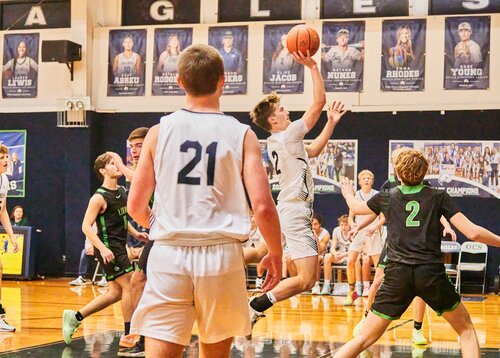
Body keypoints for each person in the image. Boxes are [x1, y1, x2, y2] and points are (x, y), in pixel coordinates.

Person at [127, 44, 283, 358]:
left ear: (180, 81)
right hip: (222, 255)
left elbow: (135, 206)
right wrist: (276, 253)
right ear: (223, 79)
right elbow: (263, 206)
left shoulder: (159, 132)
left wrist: (163, 228)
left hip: (169, 253)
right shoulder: (242, 134)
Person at [334, 149, 500, 358]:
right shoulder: (438, 196)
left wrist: (348, 193)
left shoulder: (387, 197)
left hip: (397, 276)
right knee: (466, 330)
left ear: (398, 173)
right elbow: (473, 233)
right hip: (429, 274)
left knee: (363, 339)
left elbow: (356, 208)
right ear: (424, 172)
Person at [249, 48, 347, 330]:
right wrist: (313, 66)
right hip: (295, 210)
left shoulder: (279, 141)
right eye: (281, 109)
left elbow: (314, 149)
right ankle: (256, 304)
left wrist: (330, 123)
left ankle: (214, 275)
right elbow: (318, 102)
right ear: (273, 120)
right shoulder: (288, 134)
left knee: (260, 253)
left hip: (288, 207)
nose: (286, 111)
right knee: (306, 279)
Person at [62, 154, 148, 353]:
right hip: (109, 248)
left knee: (115, 293)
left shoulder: (122, 191)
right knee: (129, 285)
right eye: (111, 163)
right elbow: (85, 226)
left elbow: (122, 220)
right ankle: (129, 336)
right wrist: (101, 248)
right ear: (102, 171)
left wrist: (137, 233)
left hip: (119, 245)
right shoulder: (98, 197)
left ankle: (75, 317)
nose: (116, 165)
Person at [107, 127, 149, 356]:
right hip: (157, 234)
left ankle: (139, 337)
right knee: (135, 283)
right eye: (131, 146)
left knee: (136, 282)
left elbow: (137, 178)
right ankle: (138, 335)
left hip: (169, 233)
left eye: (139, 145)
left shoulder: (152, 162)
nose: (134, 150)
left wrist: (120, 165)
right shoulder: (103, 195)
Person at [344, 170, 383, 305]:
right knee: (350, 261)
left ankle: (379, 293)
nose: (366, 180)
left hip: (373, 231)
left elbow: (382, 217)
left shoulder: (377, 195)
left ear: (372, 181)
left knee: (379, 266)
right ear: (360, 182)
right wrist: (352, 224)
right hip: (358, 231)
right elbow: (350, 217)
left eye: (369, 178)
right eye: (364, 178)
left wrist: (376, 226)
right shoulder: (356, 196)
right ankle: (352, 292)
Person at [0, 145, 19, 332]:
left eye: (6, 156)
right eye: (1, 157)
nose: (6, 160)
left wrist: (12, 236)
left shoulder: (4, 180)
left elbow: (3, 210)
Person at [322, 214, 350, 294]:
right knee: (327, 257)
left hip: (350, 256)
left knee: (354, 259)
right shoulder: (336, 230)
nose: (343, 227)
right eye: (342, 225)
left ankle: (353, 287)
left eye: (346, 225)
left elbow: (354, 251)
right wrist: (334, 253)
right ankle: (326, 285)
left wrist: (344, 255)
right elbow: (332, 248)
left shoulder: (354, 231)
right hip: (340, 256)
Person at [311, 214, 330, 295]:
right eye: (311, 224)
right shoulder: (306, 232)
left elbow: (320, 251)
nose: (313, 227)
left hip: (322, 255)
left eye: (315, 224)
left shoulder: (325, 234)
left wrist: (316, 238)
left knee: (316, 257)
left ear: (320, 224)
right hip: (309, 255)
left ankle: (316, 285)